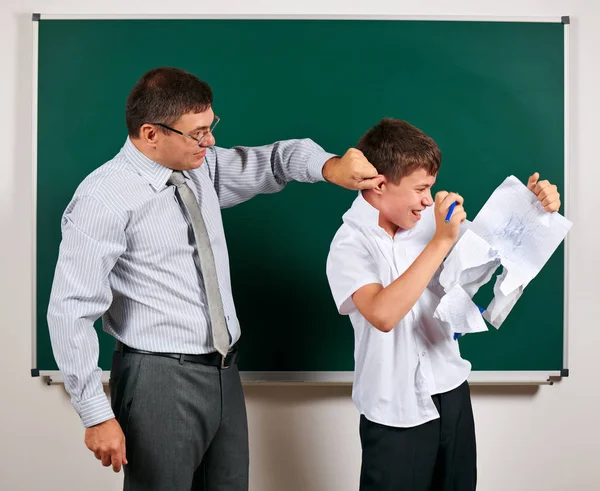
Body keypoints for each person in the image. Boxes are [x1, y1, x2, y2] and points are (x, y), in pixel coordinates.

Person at [46, 67, 383, 491]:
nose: (210, 141)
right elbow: (70, 310)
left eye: (210, 126)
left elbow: (278, 160)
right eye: (197, 133)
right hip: (158, 378)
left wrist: (330, 166)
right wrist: (96, 414)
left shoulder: (200, 168)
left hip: (224, 370)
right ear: (151, 134)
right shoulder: (103, 199)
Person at [325, 118, 561, 491]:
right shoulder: (350, 244)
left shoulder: (430, 221)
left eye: (430, 188)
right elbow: (382, 314)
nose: (426, 199)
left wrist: (533, 208)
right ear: (380, 183)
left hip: (450, 391)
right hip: (393, 408)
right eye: (420, 189)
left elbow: (496, 252)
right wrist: (440, 242)